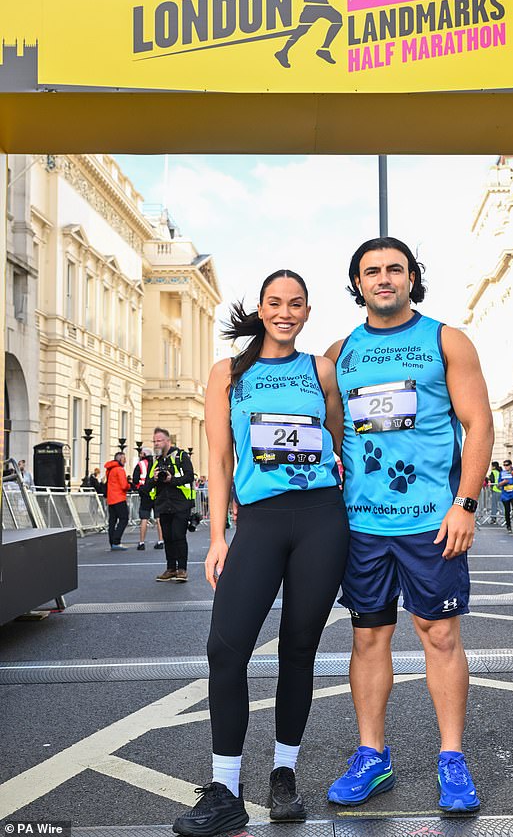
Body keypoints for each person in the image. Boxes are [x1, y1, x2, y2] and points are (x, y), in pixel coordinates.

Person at [173, 270, 349, 837]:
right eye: (276, 303)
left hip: (321, 518)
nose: (286, 312)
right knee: (225, 650)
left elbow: (336, 439)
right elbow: (220, 459)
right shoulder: (228, 374)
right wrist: (219, 534)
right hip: (260, 522)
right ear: (261, 310)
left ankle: (284, 776)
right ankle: (225, 789)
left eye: (296, 304)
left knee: (299, 648)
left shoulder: (320, 370)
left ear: (306, 312)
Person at [325, 237, 493, 814]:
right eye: (371, 271)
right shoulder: (340, 351)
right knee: (368, 636)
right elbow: (328, 435)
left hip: (431, 521)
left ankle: (452, 759)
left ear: (413, 277)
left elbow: (479, 424)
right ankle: (373, 756)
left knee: (440, 635)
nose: (384, 278)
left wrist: (465, 504)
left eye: (395, 269)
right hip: (362, 524)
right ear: (358, 284)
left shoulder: (446, 339)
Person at [144, 428, 194, 582]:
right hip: (162, 504)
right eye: (154, 441)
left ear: (168, 441)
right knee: (168, 538)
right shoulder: (153, 460)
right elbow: (146, 486)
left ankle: (182, 569)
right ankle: (170, 568)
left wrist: (171, 480)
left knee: (179, 536)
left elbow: (190, 476)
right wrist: (154, 478)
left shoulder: (181, 456)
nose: (156, 443)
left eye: (159, 440)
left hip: (180, 503)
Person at [274, 0, 342, 68]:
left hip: (323, 4)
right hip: (313, 4)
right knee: (301, 30)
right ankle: (283, 52)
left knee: (338, 20)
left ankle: (324, 49)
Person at [132, 446, 164, 551]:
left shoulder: (140, 464)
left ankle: (141, 542)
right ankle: (160, 541)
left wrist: (140, 488)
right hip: (156, 493)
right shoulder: (156, 463)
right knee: (158, 518)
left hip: (145, 493)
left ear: (144, 454)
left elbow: (135, 480)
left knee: (144, 518)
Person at [104, 452, 130, 551]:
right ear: (120, 459)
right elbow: (124, 486)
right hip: (119, 498)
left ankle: (112, 542)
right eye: (124, 459)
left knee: (112, 521)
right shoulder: (120, 470)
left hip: (111, 498)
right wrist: (128, 485)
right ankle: (116, 540)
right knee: (124, 519)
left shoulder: (110, 470)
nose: (125, 461)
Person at [499, 459, 513, 533]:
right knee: (507, 510)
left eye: (507, 465)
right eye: (504, 465)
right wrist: (503, 482)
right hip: (505, 495)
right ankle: (508, 526)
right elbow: (498, 485)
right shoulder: (502, 473)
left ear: (510, 465)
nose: (505, 467)